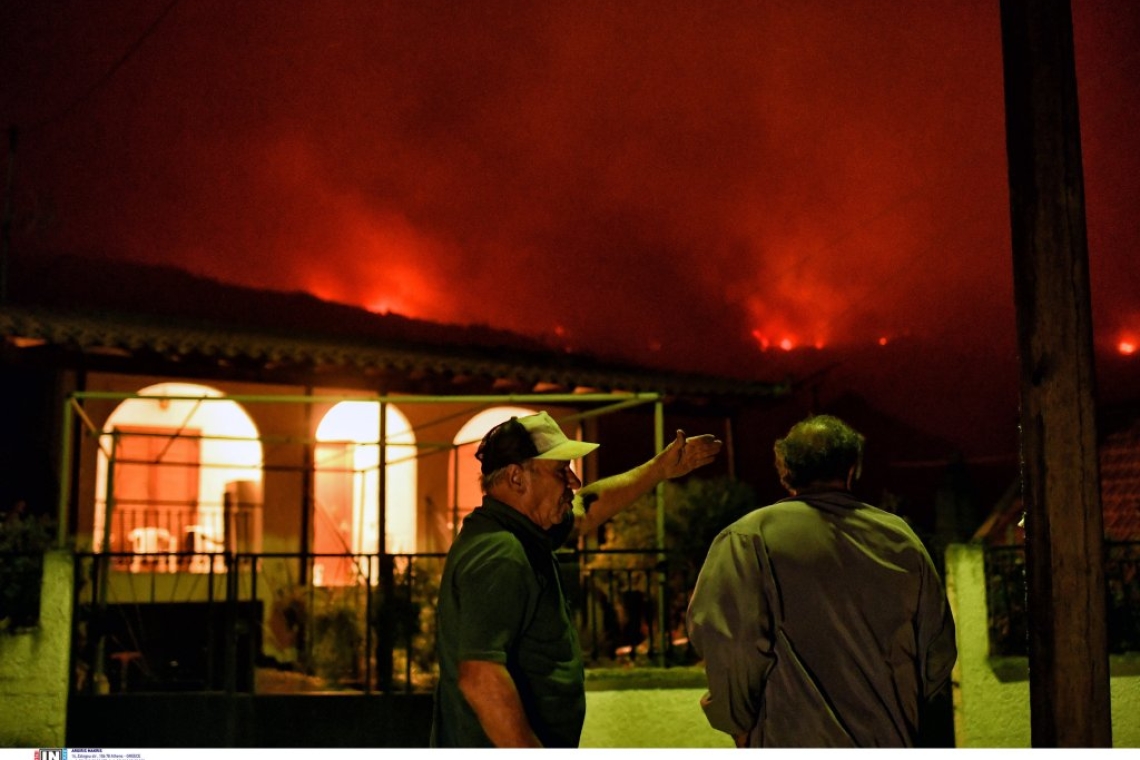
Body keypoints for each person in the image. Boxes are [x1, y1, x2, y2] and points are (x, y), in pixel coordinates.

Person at [431, 410, 723, 748]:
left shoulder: (522, 534)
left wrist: (659, 469)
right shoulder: (500, 553)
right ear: (516, 478)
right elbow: (480, 678)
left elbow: (585, 511)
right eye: (560, 471)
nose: (574, 481)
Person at [686, 414, 957, 748]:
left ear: (784, 468)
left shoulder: (749, 538)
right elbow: (937, 652)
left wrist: (738, 725)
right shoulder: (899, 538)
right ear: (852, 469)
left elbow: (729, 644)